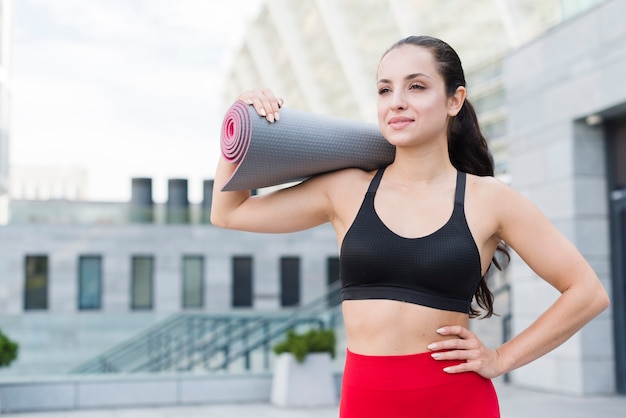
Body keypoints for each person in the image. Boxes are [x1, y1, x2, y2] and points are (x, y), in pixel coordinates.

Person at [211, 35, 610, 418]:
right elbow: (229, 213)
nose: (396, 102)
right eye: (385, 90)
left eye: (416, 87)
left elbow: (586, 293)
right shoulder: (345, 189)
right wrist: (242, 120)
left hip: (456, 401)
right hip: (365, 402)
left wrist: (501, 358)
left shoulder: (489, 198)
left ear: (455, 100)